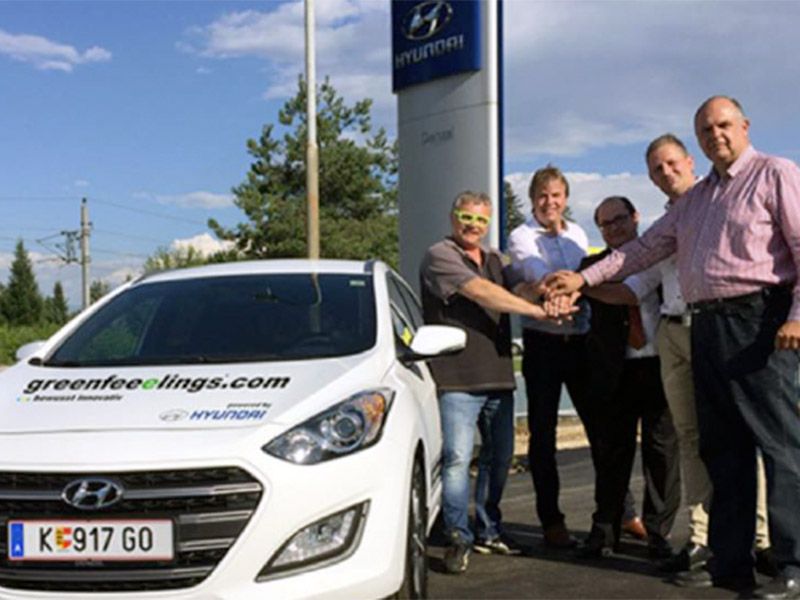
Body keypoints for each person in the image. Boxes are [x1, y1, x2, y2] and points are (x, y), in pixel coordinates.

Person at [545, 96, 800, 598]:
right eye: (705, 130)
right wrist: (581, 278)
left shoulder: (775, 174)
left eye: (723, 125)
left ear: (744, 126)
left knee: (779, 446)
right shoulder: (696, 200)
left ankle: (794, 563)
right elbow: (641, 251)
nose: (715, 135)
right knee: (722, 449)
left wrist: (797, 316)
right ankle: (730, 561)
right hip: (705, 327)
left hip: (760, 321)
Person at [420, 191, 571, 575]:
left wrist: (547, 288)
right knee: (457, 460)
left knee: (500, 458)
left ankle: (489, 530)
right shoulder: (439, 255)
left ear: (488, 224)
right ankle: (458, 535)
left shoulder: (495, 259)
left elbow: (517, 286)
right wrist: (537, 311)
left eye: (480, 220)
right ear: (453, 217)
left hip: (499, 375)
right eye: (466, 217)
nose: (472, 226)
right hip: (457, 378)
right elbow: (482, 292)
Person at [645, 134, 774, 576]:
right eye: (657, 169)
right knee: (689, 436)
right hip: (673, 331)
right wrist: (577, 287)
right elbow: (638, 277)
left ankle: (762, 538)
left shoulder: (719, 205)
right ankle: (701, 536)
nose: (666, 173)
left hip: (720, 328)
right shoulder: (663, 224)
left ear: (689, 161)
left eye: (671, 163)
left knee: (744, 432)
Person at [576, 196, 680, 560]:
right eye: (604, 224)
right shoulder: (588, 268)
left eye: (619, 219)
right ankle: (605, 530)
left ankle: (659, 534)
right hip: (614, 371)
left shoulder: (661, 256)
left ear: (635, 217)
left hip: (660, 364)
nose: (613, 228)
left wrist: (585, 287)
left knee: (662, 454)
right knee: (611, 455)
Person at [506, 165, 600, 548]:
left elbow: (585, 275)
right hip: (543, 343)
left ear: (565, 198)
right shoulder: (521, 235)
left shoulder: (578, 234)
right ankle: (552, 521)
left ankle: (616, 514)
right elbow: (535, 270)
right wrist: (557, 293)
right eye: (542, 196)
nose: (550, 202)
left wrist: (570, 292)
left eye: (556, 195)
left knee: (600, 428)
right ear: (533, 200)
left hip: (580, 341)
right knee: (542, 436)